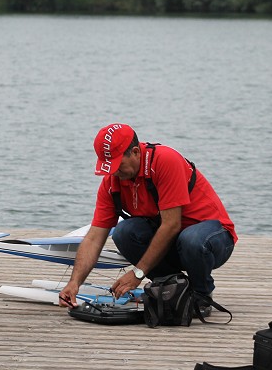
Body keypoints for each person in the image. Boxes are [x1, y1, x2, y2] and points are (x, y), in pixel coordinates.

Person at [59, 123, 237, 315]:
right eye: (108, 167)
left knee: (191, 240)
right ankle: (174, 288)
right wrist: (74, 283)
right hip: (174, 244)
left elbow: (171, 225)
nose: (114, 173)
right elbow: (94, 238)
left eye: (118, 166)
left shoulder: (165, 160)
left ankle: (201, 295)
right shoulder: (111, 183)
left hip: (212, 239)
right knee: (124, 232)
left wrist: (138, 273)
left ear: (135, 152)